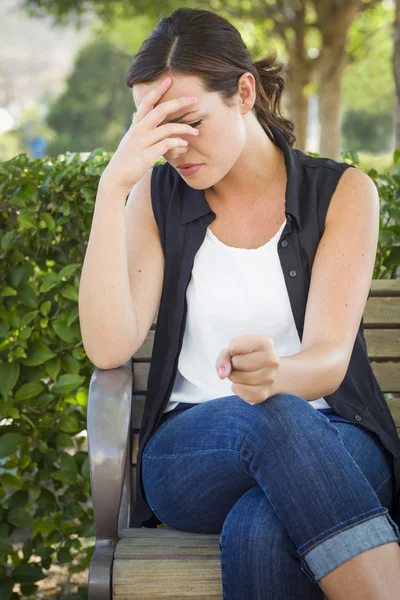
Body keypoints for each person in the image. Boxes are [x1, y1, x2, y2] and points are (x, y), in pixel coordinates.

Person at [79, 7, 400, 599]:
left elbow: (330, 359)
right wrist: (113, 188)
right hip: (191, 456)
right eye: (154, 128)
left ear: (244, 92)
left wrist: (278, 373)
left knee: (261, 524)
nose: (175, 146)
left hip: (339, 439)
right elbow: (108, 344)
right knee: (271, 415)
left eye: (190, 120)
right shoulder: (156, 198)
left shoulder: (342, 192)